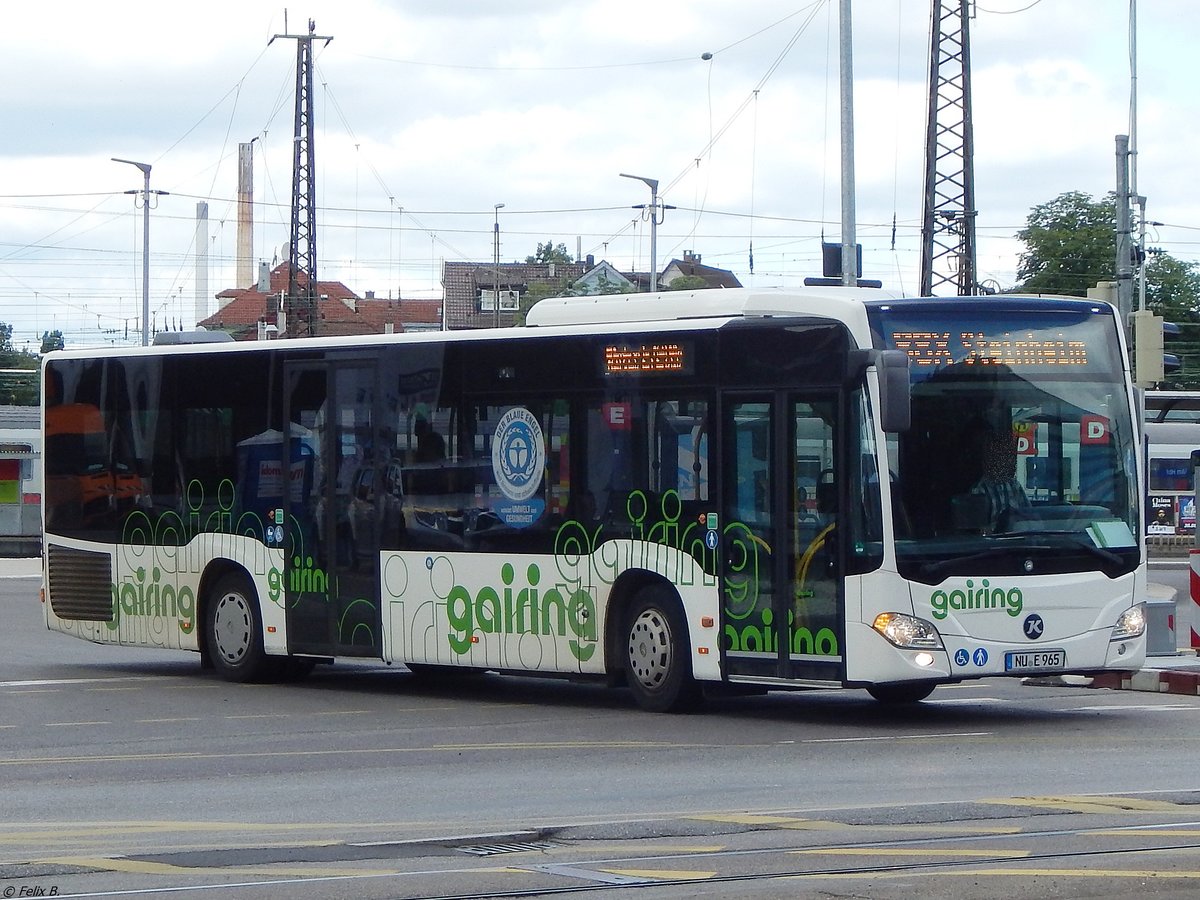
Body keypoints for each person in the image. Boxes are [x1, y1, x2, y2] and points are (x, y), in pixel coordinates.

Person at [970, 426, 1030, 531]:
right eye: (1000, 457)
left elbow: (1029, 515)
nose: (1007, 462)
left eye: (1008, 457)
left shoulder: (1014, 485)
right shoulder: (979, 490)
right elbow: (979, 530)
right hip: (995, 544)